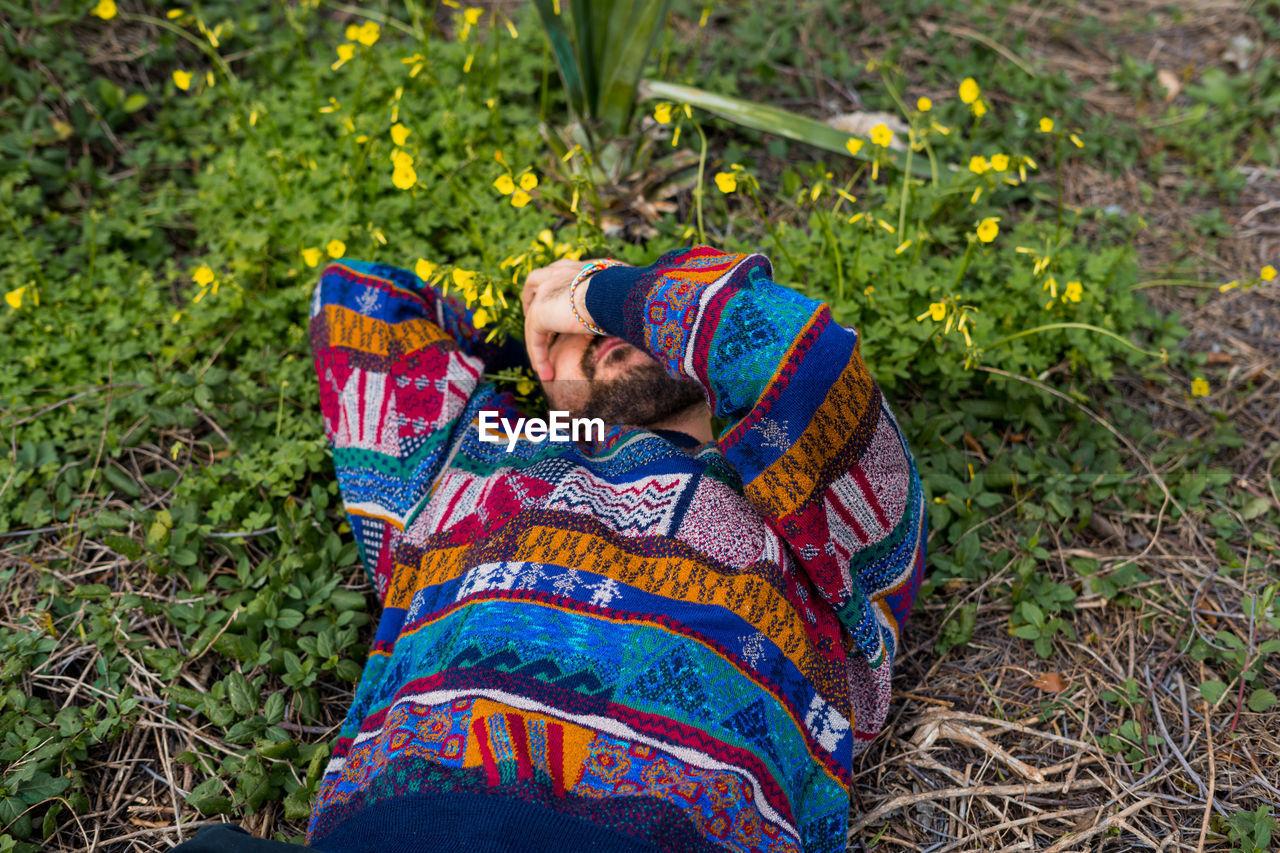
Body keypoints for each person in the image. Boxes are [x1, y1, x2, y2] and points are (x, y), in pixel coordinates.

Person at [176, 245, 927, 852]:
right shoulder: (485, 449)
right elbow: (359, 300)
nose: (598, 337)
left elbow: (779, 340)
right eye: (576, 338)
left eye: (628, 315)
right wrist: (539, 355)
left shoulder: (812, 487)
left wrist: (588, 292)